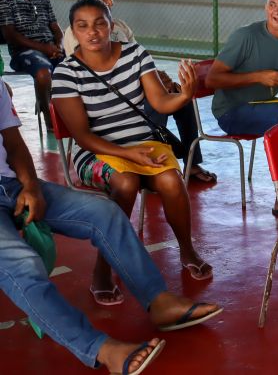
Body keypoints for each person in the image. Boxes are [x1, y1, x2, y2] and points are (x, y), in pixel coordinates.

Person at [0, 76, 222, 374]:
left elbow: (13, 143)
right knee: (22, 264)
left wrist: (30, 186)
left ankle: (159, 301)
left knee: (104, 212)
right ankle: (101, 349)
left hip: (11, 185)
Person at [52, 0, 212, 306]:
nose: (93, 32)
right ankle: (103, 268)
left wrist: (185, 96)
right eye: (82, 26)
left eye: (100, 23)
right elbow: (83, 136)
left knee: (171, 179)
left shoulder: (136, 54)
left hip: (143, 144)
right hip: (96, 152)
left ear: (111, 25)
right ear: (73, 31)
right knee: (124, 183)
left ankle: (187, 249)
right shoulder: (66, 73)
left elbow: (161, 102)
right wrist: (127, 156)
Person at [62, 0, 215, 182]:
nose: (110, 1)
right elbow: (94, 75)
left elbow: (140, 60)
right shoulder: (75, 35)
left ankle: (191, 162)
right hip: (114, 103)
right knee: (154, 103)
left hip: (138, 88)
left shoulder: (119, 26)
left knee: (182, 99)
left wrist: (162, 79)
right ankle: (152, 155)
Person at [205, 0, 278, 220]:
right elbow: (212, 79)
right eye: (272, 4)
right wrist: (259, 77)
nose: (276, 11)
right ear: (265, 6)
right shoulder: (246, 36)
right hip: (232, 112)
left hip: (262, 107)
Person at [0, 0, 64, 129]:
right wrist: (44, 48)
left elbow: (56, 27)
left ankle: (72, 112)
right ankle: (48, 115)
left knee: (76, 67)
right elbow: (10, 35)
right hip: (24, 52)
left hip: (51, 49)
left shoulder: (42, 0)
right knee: (43, 73)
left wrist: (59, 45)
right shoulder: (5, 1)